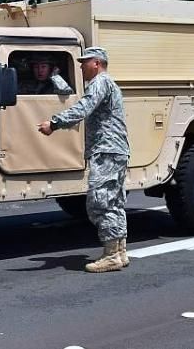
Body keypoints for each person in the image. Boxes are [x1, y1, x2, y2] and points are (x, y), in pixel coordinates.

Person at [38, 46, 130, 272]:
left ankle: (111, 255)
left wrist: (54, 123)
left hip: (107, 150)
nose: (80, 66)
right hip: (115, 150)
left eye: (84, 62)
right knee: (114, 201)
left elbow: (83, 108)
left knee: (100, 202)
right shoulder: (109, 83)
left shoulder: (100, 83)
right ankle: (119, 252)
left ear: (97, 63)